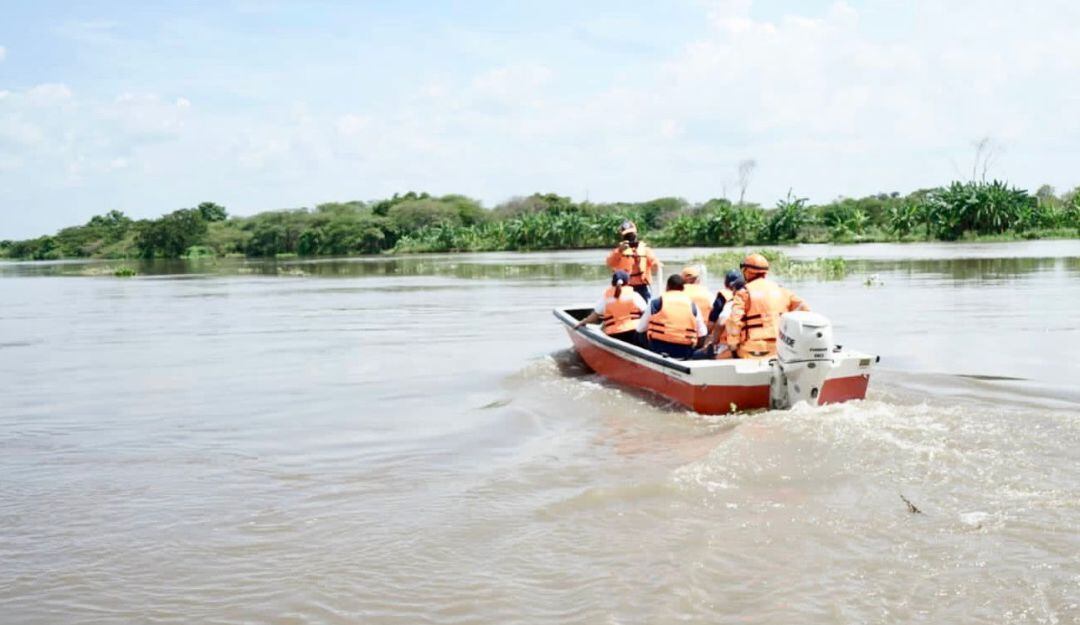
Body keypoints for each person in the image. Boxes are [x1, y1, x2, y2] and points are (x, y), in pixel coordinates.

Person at [725, 253, 809, 359]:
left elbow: (734, 321)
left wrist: (733, 345)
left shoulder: (744, 292)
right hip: (781, 348)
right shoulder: (782, 290)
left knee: (727, 354)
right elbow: (805, 310)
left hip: (752, 350)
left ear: (747, 271)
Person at [637, 273, 708, 359]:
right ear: (683, 289)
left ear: (667, 287)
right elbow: (703, 333)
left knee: (640, 333)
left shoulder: (656, 302)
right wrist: (695, 349)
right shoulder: (693, 305)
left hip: (658, 348)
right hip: (684, 351)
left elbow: (640, 328)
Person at [574, 270, 648, 344]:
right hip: (635, 332)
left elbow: (594, 318)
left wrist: (583, 322)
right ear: (628, 282)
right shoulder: (634, 295)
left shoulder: (606, 298)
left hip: (614, 335)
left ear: (612, 283)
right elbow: (647, 314)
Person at [692, 270, 746, 360]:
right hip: (746, 345)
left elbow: (718, 323)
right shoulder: (751, 301)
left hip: (726, 346)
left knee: (695, 355)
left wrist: (711, 341)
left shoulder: (728, 300)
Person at [606, 220, 660, 301]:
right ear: (623, 237)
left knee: (647, 307)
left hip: (642, 286)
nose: (630, 237)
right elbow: (610, 263)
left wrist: (655, 265)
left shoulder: (645, 250)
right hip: (625, 287)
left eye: (631, 234)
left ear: (636, 234)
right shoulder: (618, 252)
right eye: (627, 235)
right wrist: (619, 251)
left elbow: (655, 264)